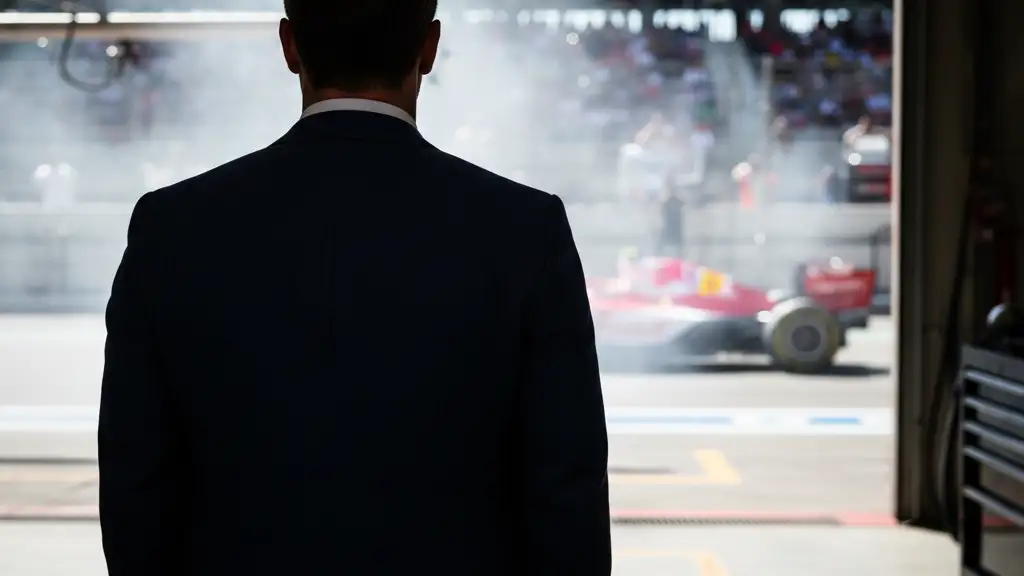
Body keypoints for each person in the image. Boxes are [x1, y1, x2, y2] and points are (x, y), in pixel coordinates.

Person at [97, 1, 612, 575]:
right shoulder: (524, 229)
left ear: (289, 46)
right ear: (430, 48)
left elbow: (135, 484)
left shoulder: (173, 226)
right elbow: (565, 490)